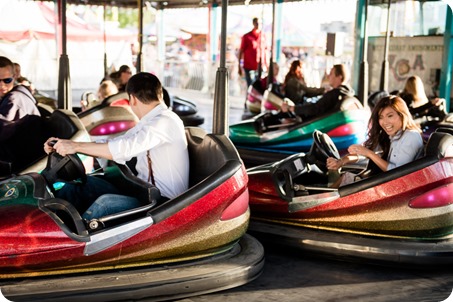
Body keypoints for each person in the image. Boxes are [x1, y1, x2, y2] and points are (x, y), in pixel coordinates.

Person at [44, 72, 190, 220]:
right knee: (80, 185)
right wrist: (66, 144)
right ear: (159, 93)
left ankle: (77, 239)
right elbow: (115, 144)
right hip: (141, 191)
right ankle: (51, 222)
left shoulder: (165, 121)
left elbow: (124, 148)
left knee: (105, 204)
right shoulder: (149, 122)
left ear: (132, 99)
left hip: (162, 205)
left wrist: (75, 146)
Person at [326, 95, 424, 187]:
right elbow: (363, 152)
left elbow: (397, 173)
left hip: (398, 189)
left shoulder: (411, 136)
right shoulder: (391, 136)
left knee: (347, 181)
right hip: (386, 183)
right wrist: (341, 161)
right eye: (381, 117)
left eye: (390, 116)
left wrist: (370, 154)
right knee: (347, 177)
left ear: (402, 115)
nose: (385, 122)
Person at [281, 64, 354, 120]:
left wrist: (293, 108)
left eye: (331, 73)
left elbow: (314, 108)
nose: (328, 76)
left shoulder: (334, 94)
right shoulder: (348, 92)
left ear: (339, 77)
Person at [0, 56, 40, 122]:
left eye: (7, 80)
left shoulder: (13, 99)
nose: (2, 85)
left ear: (14, 77)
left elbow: (3, 127)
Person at [238, 17, 267, 95]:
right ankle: (249, 101)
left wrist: (266, 65)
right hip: (249, 66)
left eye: (260, 23)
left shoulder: (263, 36)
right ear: (253, 23)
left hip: (260, 66)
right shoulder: (247, 36)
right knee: (251, 86)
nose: (258, 25)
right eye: (257, 23)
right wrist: (239, 66)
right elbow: (241, 51)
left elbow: (265, 51)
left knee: (260, 86)